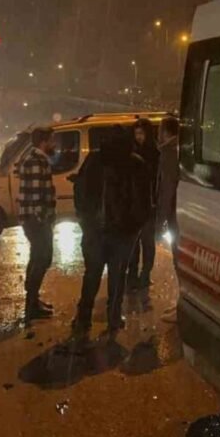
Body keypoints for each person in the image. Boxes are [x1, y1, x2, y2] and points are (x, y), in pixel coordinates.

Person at [71, 126, 151, 335]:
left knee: (92, 276)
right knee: (117, 277)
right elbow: (144, 202)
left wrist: (85, 220)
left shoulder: (93, 161)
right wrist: (136, 227)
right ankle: (113, 318)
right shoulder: (135, 163)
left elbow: (80, 192)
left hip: (96, 231)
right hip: (123, 233)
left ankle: (83, 318)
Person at [16, 127, 57, 321]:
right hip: (36, 219)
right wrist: (43, 218)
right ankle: (31, 304)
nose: (54, 144)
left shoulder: (38, 159)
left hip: (35, 218)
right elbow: (35, 196)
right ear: (44, 142)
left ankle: (33, 300)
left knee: (38, 257)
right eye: (52, 140)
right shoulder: (35, 161)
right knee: (43, 258)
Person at [126, 118, 160, 311]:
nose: (138, 137)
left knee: (147, 242)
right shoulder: (132, 153)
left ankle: (145, 275)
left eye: (141, 134)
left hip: (148, 206)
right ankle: (132, 275)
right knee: (133, 244)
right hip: (133, 206)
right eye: (136, 134)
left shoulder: (154, 154)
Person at [155, 116, 180, 243]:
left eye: (159, 130)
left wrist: (159, 222)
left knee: (177, 248)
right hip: (179, 208)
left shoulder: (168, 154)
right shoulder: (179, 149)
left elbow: (167, 189)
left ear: (165, 132)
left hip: (173, 212)